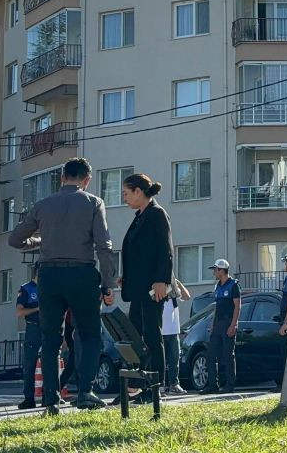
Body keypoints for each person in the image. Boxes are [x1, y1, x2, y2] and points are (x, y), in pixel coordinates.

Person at [8, 157, 116, 414]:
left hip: (49, 275)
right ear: (87, 180)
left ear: (62, 177)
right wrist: (108, 283)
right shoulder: (93, 202)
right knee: (89, 334)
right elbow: (104, 245)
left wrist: (40, 242)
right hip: (82, 274)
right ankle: (86, 391)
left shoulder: (43, 205)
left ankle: (50, 398)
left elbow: (15, 240)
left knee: (51, 338)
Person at [118, 172, 174, 404]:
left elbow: (165, 249)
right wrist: (127, 277)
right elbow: (135, 252)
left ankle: (155, 387)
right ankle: (137, 384)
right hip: (137, 288)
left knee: (152, 335)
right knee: (135, 336)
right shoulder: (139, 216)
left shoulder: (157, 214)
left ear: (139, 192)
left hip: (153, 287)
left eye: (126, 193)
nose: (125, 199)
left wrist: (162, 279)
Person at [201, 260, 241, 394]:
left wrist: (234, 324)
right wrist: (213, 324)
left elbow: (237, 306)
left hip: (228, 322)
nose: (214, 272)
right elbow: (216, 307)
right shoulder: (218, 286)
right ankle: (213, 384)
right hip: (218, 324)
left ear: (222, 270)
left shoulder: (233, 285)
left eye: (215, 270)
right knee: (211, 354)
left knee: (228, 355)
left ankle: (230, 385)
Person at [16, 269, 42, 409]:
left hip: (48, 328)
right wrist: (37, 309)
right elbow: (19, 312)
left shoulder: (50, 286)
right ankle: (29, 398)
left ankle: (51, 396)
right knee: (29, 364)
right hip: (33, 328)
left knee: (51, 362)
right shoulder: (26, 289)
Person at [161, 278, 192, 395]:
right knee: (161, 361)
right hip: (161, 330)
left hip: (174, 330)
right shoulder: (157, 287)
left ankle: (174, 384)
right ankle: (161, 385)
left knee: (174, 360)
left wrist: (177, 283)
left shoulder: (174, 289)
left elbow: (186, 296)